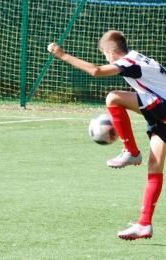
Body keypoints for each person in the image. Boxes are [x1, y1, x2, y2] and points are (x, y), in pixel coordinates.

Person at [47, 30, 166, 240]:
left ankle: (131, 151)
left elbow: (96, 71)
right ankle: (144, 224)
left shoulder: (130, 62)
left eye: (104, 54)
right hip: (160, 116)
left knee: (113, 98)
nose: (105, 58)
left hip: (163, 108)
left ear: (110, 52)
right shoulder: (138, 59)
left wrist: (63, 55)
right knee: (154, 168)